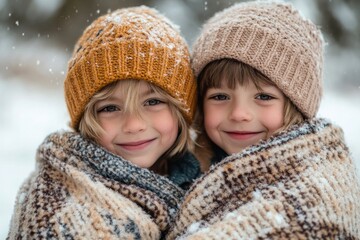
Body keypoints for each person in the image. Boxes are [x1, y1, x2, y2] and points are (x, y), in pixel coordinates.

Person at [166, 1, 360, 239]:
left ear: (296, 106)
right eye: (220, 96)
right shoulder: (188, 170)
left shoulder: (308, 201)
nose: (239, 113)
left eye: (263, 96)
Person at [8, 6, 200, 239]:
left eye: (152, 102)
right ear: (85, 121)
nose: (133, 125)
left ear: (181, 109)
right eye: (110, 108)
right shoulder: (67, 213)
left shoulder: (197, 178)